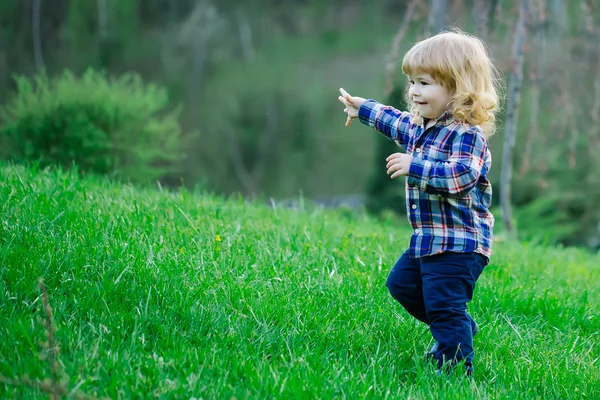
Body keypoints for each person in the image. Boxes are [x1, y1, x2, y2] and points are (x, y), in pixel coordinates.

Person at [337, 29, 501, 376]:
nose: (414, 91)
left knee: (443, 303)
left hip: (460, 243)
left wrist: (417, 166)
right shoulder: (422, 126)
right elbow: (395, 120)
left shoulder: (466, 134)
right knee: (401, 285)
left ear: (457, 87)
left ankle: (454, 368)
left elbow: (461, 176)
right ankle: (456, 328)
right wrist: (362, 108)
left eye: (425, 83)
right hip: (429, 240)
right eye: (412, 82)